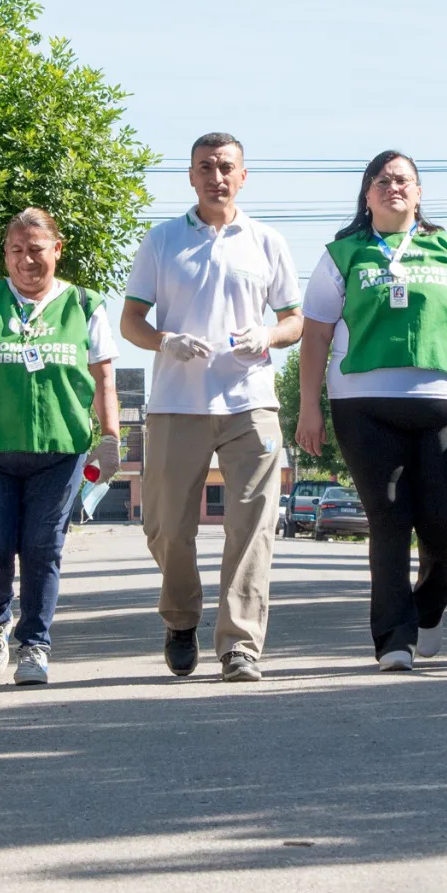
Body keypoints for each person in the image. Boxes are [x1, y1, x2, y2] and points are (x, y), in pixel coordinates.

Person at [296, 152, 447, 671]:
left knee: (444, 525)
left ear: (418, 194)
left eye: (403, 180)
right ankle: (394, 638)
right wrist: (309, 407)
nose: (393, 187)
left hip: (445, 403)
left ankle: (427, 609)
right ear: (367, 194)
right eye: (382, 180)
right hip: (362, 404)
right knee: (389, 519)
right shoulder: (342, 255)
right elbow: (316, 335)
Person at [121, 132, 302, 681]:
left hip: (251, 403)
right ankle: (181, 619)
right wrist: (165, 341)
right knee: (165, 527)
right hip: (176, 404)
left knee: (252, 526)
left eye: (226, 167)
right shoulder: (162, 240)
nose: (216, 177)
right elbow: (131, 321)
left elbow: (294, 321)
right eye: (205, 167)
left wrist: (268, 336)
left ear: (243, 176)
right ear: (191, 176)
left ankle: (239, 644)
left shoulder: (266, 241)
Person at [0, 209, 122, 686]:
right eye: (15, 250)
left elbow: (104, 378)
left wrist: (111, 438)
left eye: (36, 249)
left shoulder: (84, 304)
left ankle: (35, 645)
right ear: (5, 255)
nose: (26, 260)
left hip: (61, 452)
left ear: (57, 249)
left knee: (42, 548)